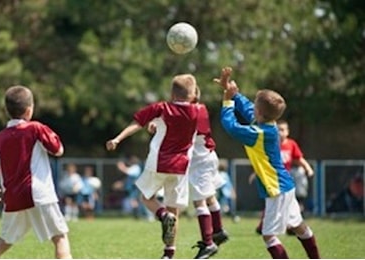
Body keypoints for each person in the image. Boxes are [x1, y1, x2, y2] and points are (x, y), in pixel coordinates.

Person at [215, 67, 320, 259]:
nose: (252, 106)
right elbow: (247, 109)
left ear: (260, 111)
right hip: (284, 186)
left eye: (255, 104)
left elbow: (231, 126)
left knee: (268, 235)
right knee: (298, 226)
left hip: (276, 189)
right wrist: (234, 92)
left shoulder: (259, 134)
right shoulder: (266, 124)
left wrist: (228, 101)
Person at [106, 73, 199, 259]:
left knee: (146, 197)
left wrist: (117, 138)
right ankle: (168, 254)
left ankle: (163, 215)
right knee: (175, 210)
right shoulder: (199, 112)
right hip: (181, 167)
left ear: (172, 94)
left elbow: (137, 123)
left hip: (159, 163)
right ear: (193, 95)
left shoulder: (162, 108)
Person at [0, 85, 71, 259]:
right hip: (39, 194)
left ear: (7, 111)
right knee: (60, 238)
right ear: (29, 110)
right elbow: (58, 150)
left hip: (13, 198)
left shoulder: (0, 137)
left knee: (3, 242)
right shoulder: (36, 128)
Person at [147, 86, 228, 259]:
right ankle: (219, 230)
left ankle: (208, 243)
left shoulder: (191, 111)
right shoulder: (201, 109)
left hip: (200, 161)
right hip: (208, 155)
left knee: (199, 201)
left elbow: (176, 125)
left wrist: (159, 123)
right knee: (210, 196)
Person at [253, 119, 315, 234]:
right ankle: (263, 226)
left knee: (291, 203)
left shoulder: (291, 144)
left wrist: (308, 168)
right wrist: (255, 173)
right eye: (278, 130)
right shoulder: (271, 143)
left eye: (282, 130)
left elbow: (299, 158)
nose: (280, 132)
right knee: (271, 203)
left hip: (286, 178)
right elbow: (264, 162)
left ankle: (292, 226)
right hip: (273, 179)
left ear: (287, 131)